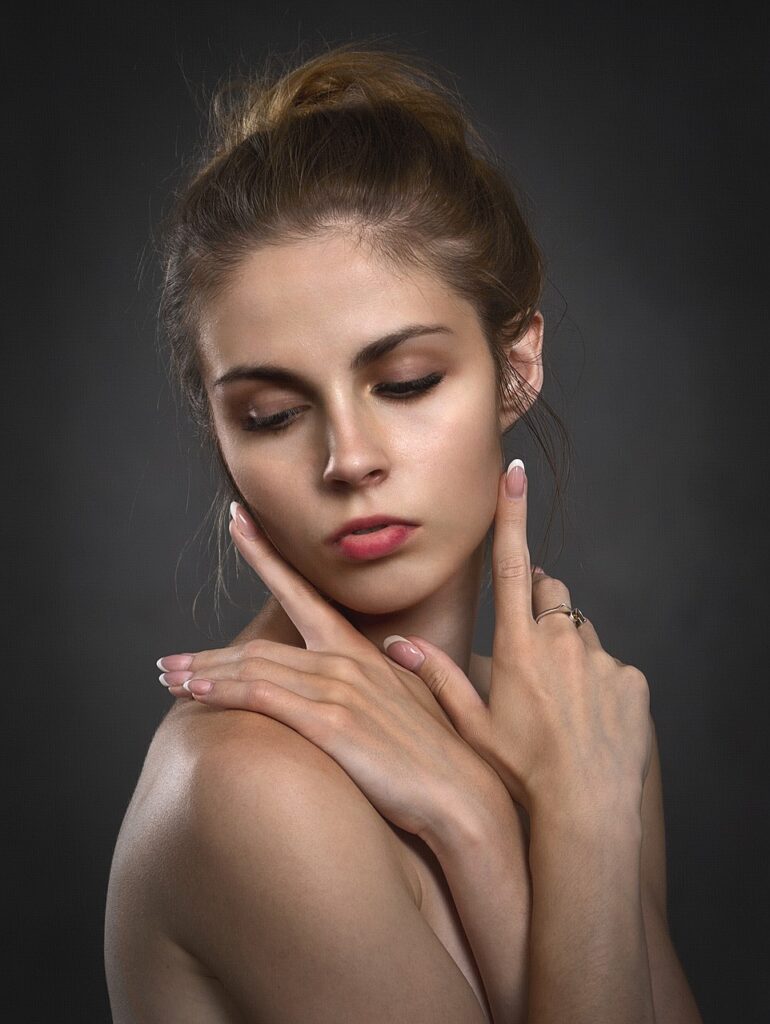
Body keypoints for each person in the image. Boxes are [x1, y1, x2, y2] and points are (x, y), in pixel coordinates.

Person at [104, 43, 703, 1023]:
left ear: (515, 369)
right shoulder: (248, 786)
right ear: (218, 429)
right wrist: (505, 822)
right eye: (270, 414)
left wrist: (512, 823)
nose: (348, 459)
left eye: (406, 382)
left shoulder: (578, 733)